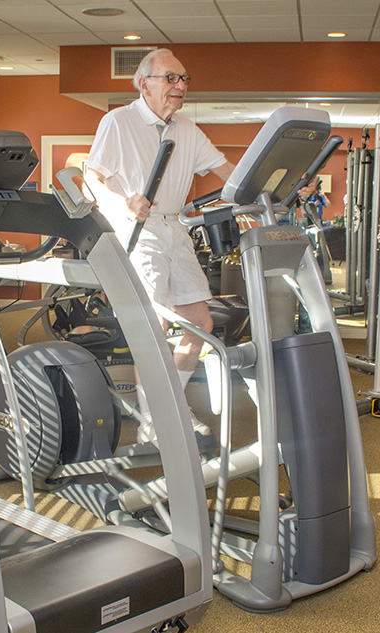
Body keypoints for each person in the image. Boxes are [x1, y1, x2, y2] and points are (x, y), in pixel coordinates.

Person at [85, 48, 235, 443]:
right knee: (154, 326)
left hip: (175, 228)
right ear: (143, 83)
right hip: (137, 229)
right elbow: (92, 178)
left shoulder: (186, 129)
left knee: (199, 325)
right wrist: (124, 202)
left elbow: (229, 173)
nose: (180, 86)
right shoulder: (119, 121)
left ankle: (169, 404)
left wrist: (277, 184)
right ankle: (155, 419)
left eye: (184, 79)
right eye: (171, 78)